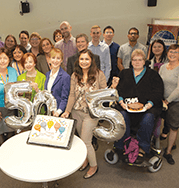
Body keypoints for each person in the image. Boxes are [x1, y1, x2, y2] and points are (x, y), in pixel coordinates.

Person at [61, 49, 107, 179]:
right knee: (81, 140)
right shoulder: (75, 75)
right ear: (78, 61)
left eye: (87, 59)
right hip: (76, 112)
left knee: (86, 141)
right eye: (82, 59)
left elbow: (104, 94)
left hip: (91, 114)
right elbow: (72, 95)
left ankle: (93, 166)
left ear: (91, 60)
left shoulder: (99, 74)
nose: (84, 61)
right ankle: (85, 160)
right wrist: (67, 111)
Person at [114, 49, 164, 164]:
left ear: (144, 61)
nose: (137, 62)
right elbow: (118, 90)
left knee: (148, 118)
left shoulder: (153, 75)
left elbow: (158, 92)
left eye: (140, 60)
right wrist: (122, 103)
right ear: (131, 62)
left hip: (147, 107)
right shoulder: (124, 73)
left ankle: (142, 148)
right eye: (134, 60)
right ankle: (124, 146)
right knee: (122, 115)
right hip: (126, 106)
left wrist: (148, 105)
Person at [159, 44, 179, 165]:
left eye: (176, 52)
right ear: (167, 53)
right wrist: (161, 98)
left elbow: (178, 88)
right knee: (158, 121)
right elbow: (159, 83)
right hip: (162, 100)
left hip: (175, 101)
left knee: (173, 127)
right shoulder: (162, 67)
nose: (172, 54)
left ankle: (169, 151)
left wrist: (168, 100)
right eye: (171, 52)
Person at [45, 48, 70, 117]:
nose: (55, 61)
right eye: (53, 58)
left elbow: (65, 98)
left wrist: (58, 112)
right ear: (49, 59)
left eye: (58, 58)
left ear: (61, 60)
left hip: (59, 113)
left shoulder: (65, 77)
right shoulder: (47, 74)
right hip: (48, 111)